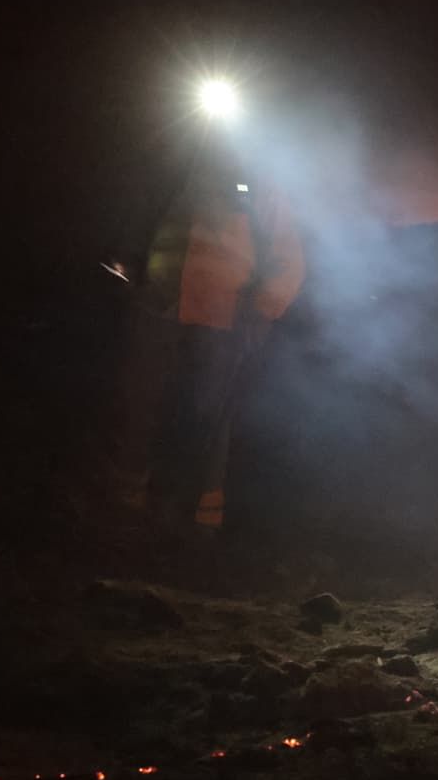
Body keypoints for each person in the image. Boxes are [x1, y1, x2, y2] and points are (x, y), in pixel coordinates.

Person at [111, 137, 304, 530]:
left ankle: (200, 521)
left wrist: (262, 311)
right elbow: (137, 225)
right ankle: (126, 505)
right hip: (161, 306)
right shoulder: (173, 169)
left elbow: (288, 256)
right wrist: (130, 278)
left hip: (225, 317)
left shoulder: (258, 182)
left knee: (210, 416)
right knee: (141, 401)